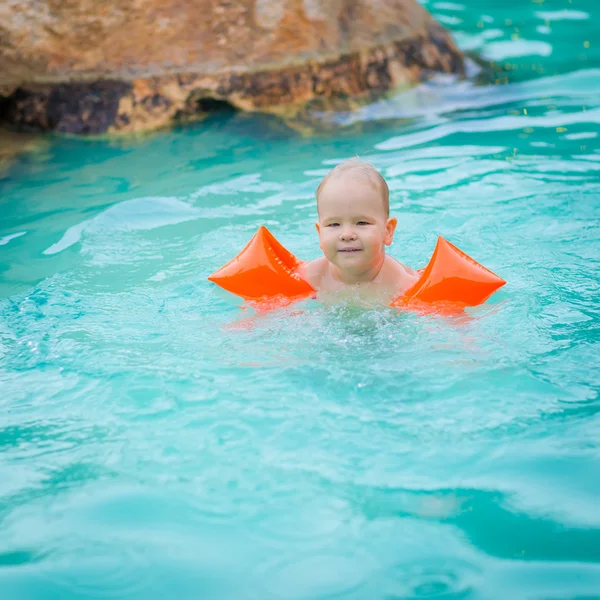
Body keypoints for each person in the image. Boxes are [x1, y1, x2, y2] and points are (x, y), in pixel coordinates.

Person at [296, 158, 420, 305]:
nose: (347, 235)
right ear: (320, 234)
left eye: (362, 222)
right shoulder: (310, 277)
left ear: (387, 231)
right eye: (334, 224)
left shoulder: (405, 286)